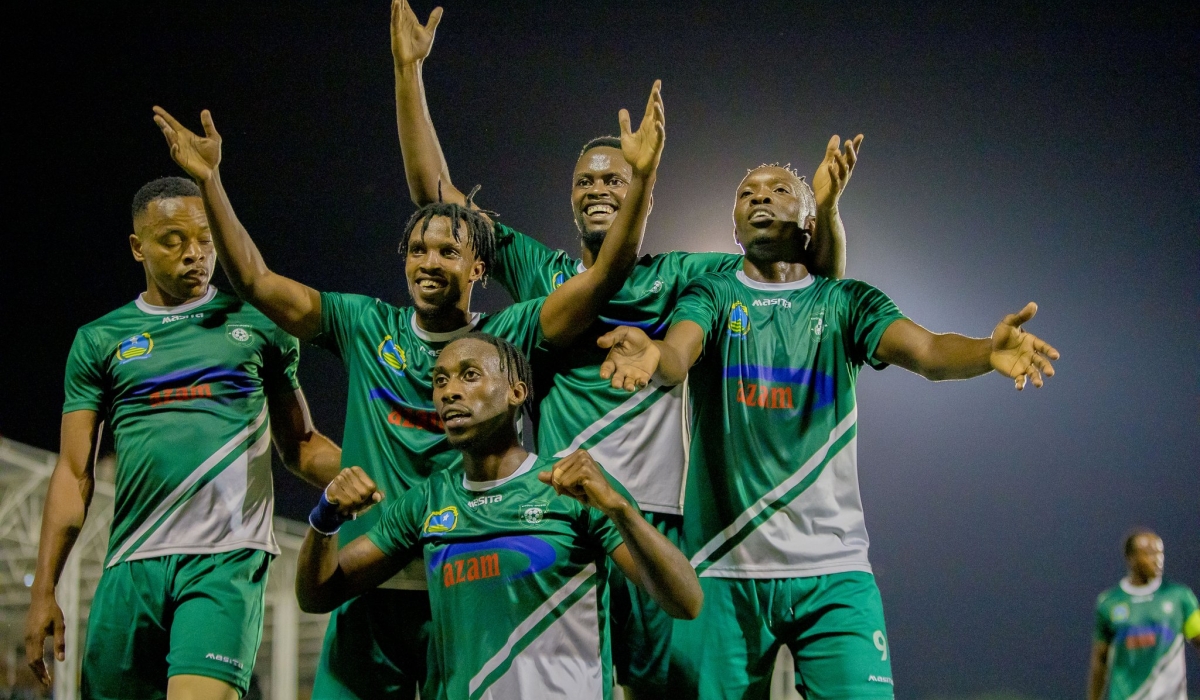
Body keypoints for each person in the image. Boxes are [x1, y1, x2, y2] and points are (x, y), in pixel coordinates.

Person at [389, 2, 858, 693]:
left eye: (615, 177)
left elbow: (809, 284)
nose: (600, 188)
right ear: (571, 199)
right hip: (561, 521)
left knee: (674, 688)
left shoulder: (685, 277)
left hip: (657, 525)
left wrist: (821, 214)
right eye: (587, 181)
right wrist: (409, 73)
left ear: (639, 186)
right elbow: (439, 200)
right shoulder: (542, 274)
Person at [151, 76, 663, 699]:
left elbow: (607, 273)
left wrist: (640, 182)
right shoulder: (365, 325)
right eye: (417, 249)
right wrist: (210, 183)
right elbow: (257, 282)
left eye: (448, 251)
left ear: (479, 268)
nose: (429, 262)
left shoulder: (509, 338)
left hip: (470, 587)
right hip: (372, 580)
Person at [598, 163, 1061, 699]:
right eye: (747, 193)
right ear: (733, 223)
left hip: (834, 571)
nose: (759, 198)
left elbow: (930, 352)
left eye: (778, 190)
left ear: (810, 221)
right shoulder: (713, 294)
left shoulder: (846, 303)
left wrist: (986, 351)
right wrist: (651, 353)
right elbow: (679, 353)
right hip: (723, 570)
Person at [23, 177, 341, 700]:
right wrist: (43, 590)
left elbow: (301, 445)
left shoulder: (257, 324)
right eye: (173, 240)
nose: (195, 254)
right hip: (131, 563)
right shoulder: (100, 339)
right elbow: (73, 473)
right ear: (137, 247)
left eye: (206, 239)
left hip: (225, 559)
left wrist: (385, 476)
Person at [295, 332, 703, 699]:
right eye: (440, 381)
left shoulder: (570, 488)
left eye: (469, 375)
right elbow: (318, 595)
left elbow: (686, 602)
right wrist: (325, 518)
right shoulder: (428, 501)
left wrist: (619, 509)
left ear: (516, 392)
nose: (449, 392)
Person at [1088, 529, 1200, 700]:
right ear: (1130, 558)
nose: (1158, 560)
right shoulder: (1109, 602)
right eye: (1149, 554)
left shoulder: (1179, 597)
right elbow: (1100, 660)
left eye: (1160, 553)